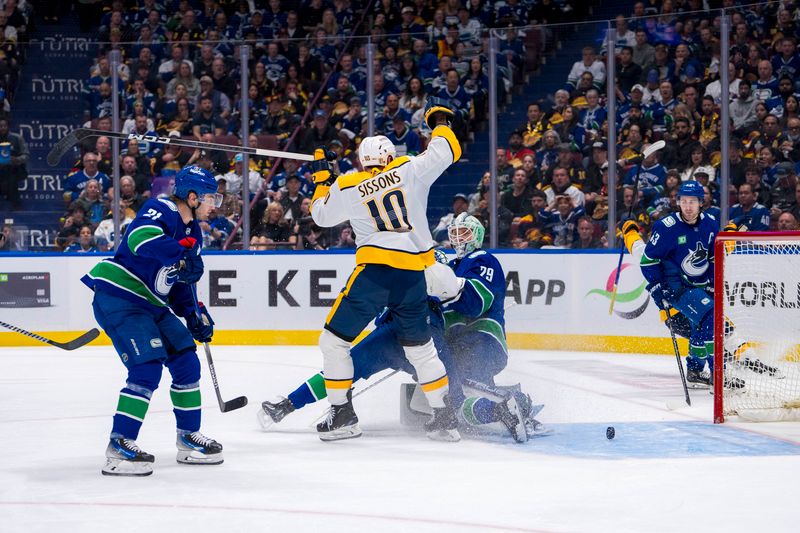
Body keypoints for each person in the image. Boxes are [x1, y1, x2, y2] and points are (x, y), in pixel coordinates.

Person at [259, 242, 546, 443]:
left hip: (392, 332)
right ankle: (496, 409)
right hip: (423, 336)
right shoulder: (438, 272)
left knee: (341, 370)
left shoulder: (401, 266)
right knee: (453, 403)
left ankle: (287, 404)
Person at [307, 98, 462, 442]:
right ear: (389, 157)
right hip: (411, 276)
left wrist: (323, 178)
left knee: (333, 343)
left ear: (363, 162)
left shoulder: (349, 185)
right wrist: (438, 121)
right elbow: (447, 150)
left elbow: (320, 214)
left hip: (373, 273)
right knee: (421, 351)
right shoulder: (408, 168)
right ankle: (445, 417)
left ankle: (342, 416)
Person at [81, 165, 224, 476]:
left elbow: (180, 281)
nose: (216, 204)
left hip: (153, 304)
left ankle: (188, 438)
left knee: (186, 360)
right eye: (212, 197)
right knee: (146, 367)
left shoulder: (194, 233)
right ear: (193, 197)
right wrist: (179, 253)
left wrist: (193, 314)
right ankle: (119, 445)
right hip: (120, 296)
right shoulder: (163, 207)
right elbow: (140, 240)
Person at [640, 181, 720, 388]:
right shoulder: (666, 227)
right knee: (711, 317)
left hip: (701, 285)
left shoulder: (711, 223)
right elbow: (648, 261)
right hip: (678, 287)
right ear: (678, 203)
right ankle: (718, 374)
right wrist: (657, 286)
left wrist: (712, 282)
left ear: (701, 203)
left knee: (701, 326)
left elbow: (713, 258)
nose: (688, 206)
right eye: (683, 201)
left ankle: (694, 370)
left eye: (692, 201)